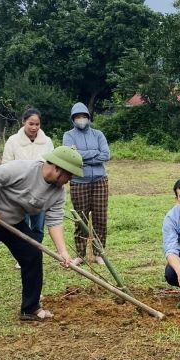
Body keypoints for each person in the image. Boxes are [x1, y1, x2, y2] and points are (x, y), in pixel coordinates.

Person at [0, 146, 83, 340]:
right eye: (69, 175)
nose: (69, 180)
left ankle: (30, 308)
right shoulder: (23, 169)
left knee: (32, 255)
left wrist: (63, 251)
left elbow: (55, 221)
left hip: (12, 222)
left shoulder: (57, 192)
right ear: (57, 168)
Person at [63, 102, 110, 264]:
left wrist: (82, 156)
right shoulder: (68, 135)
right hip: (78, 181)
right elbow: (71, 156)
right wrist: (94, 153)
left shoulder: (98, 134)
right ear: (73, 119)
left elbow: (106, 155)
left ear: (89, 118)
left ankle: (98, 253)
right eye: (78, 117)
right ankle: (80, 254)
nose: (81, 119)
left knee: (100, 218)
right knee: (80, 219)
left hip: (100, 181)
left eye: (84, 116)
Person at [2, 108, 54, 243]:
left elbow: (52, 166)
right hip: (18, 191)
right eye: (31, 124)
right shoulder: (13, 141)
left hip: (40, 191)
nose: (34, 127)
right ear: (23, 122)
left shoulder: (47, 142)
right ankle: (22, 253)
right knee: (20, 226)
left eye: (37, 124)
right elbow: (6, 166)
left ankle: (36, 251)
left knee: (38, 228)